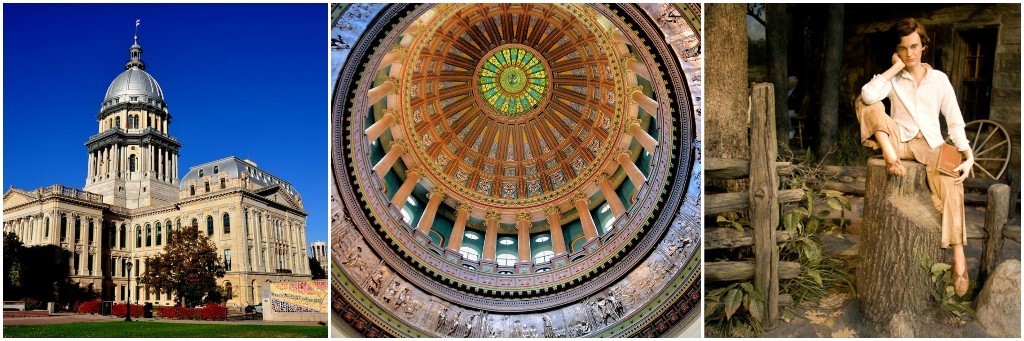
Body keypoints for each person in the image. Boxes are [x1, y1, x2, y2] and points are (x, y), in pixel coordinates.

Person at [857, 18, 974, 296]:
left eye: (914, 47)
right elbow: (868, 94)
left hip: (932, 145)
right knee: (864, 102)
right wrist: (895, 68)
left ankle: (959, 257)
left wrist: (968, 155)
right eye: (903, 49)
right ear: (897, 51)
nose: (910, 53)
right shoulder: (895, 77)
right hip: (899, 141)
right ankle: (889, 156)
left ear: (924, 46)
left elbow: (955, 122)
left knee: (953, 180)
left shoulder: (940, 80)